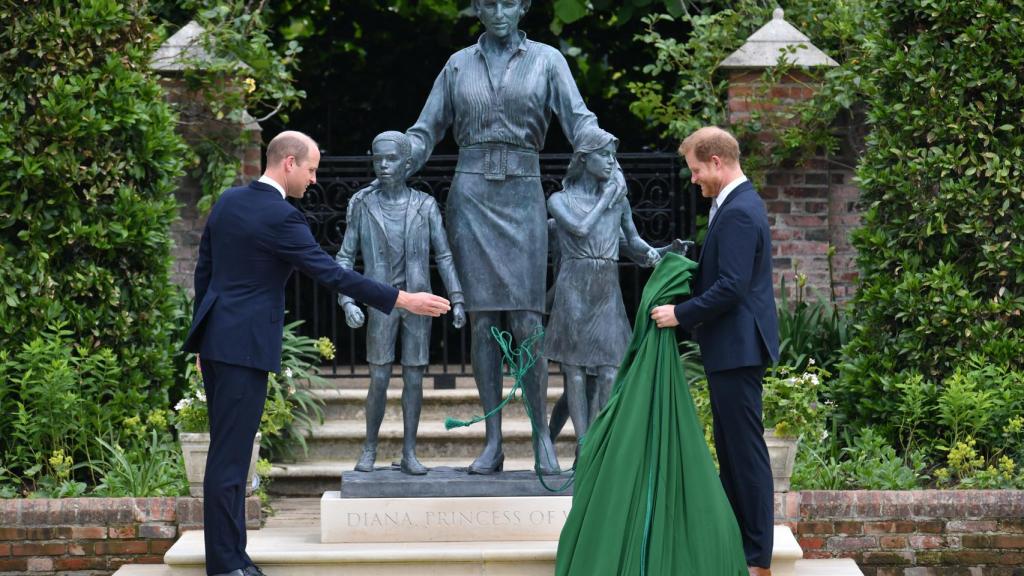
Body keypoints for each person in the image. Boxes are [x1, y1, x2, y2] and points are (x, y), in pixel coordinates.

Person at [183, 131, 450, 576]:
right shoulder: (281, 217)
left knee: (229, 455)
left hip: (221, 344)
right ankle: (225, 566)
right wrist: (403, 299)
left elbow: (204, 272)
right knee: (229, 459)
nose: (314, 179)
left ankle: (234, 558)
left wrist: (202, 337)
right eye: (311, 169)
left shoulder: (229, 202)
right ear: (288, 163)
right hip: (244, 347)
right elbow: (331, 273)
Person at [402, 0, 617, 475]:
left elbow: (578, 119)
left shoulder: (547, 60)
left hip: (523, 195)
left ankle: (542, 437)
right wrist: (400, 158)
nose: (500, 11)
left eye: (509, 2)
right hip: (472, 197)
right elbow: (426, 130)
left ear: (523, 7)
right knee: (483, 322)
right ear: (477, 8)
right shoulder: (457, 65)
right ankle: (493, 441)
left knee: (527, 322)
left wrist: (604, 152)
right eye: (490, 3)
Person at [650, 126, 780, 576]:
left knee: (744, 453)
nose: (694, 179)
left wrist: (680, 313)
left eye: (696, 169)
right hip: (730, 347)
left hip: (739, 348)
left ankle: (758, 558)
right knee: (731, 450)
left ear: (717, 163)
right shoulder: (729, 205)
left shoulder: (741, 210)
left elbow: (732, 286)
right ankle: (740, 547)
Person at [335, 131, 466, 475]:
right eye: (378, 159)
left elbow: (445, 254)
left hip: (419, 305)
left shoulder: (424, 205)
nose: (383, 166)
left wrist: (457, 298)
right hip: (381, 304)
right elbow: (345, 258)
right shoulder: (363, 205)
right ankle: (370, 448)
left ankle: (410, 452)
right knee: (378, 378)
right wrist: (347, 300)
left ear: (408, 164)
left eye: (391, 159)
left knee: (414, 379)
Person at [543, 129, 660, 442]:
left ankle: (601, 443)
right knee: (575, 373)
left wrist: (661, 252)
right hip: (573, 287)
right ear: (583, 158)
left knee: (609, 369)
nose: (611, 162)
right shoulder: (559, 200)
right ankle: (583, 446)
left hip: (605, 287)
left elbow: (633, 244)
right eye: (604, 155)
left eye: (613, 155)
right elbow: (580, 229)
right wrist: (608, 197)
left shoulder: (617, 204)